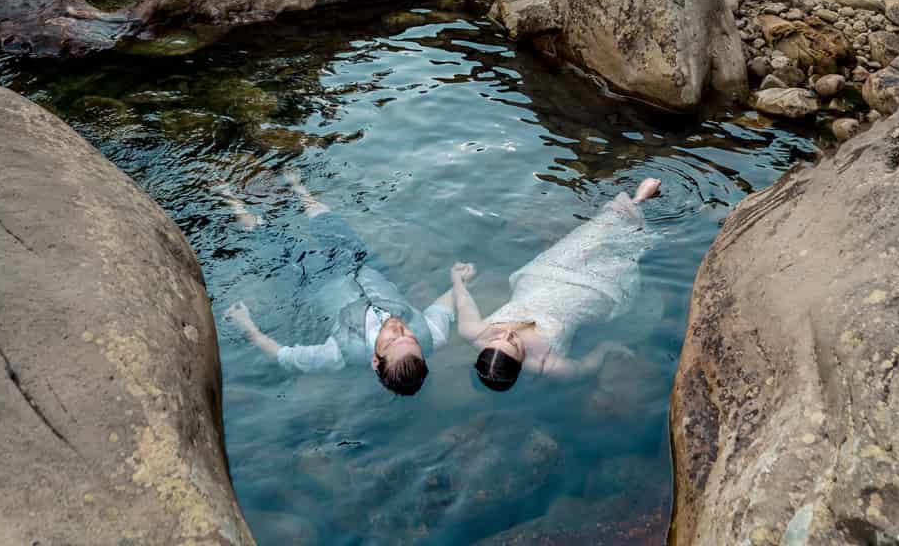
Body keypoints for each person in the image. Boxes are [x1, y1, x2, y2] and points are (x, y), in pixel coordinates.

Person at [220, 168, 463, 396]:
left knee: (270, 240)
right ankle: (297, 185)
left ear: (375, 360)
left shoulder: (339, 354)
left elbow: (284, 356)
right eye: (409, 337)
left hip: (315, 278)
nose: (397, 328)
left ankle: (228, 197)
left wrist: (247, 326)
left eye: (391, 340)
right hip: (359, 266)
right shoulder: (432, 335)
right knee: (330, 225)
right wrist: (460, 280)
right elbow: (444, 304)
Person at [453, 178, 663, 391]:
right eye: (513, 344)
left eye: (497, 338)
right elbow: (582, 368)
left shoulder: (473, 332)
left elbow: (462, 301)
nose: (508, 334)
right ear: (520, 364)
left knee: (595, 233)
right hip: (585, 295)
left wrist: (458, 279)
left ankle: (637, 200)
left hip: (543, 276)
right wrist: (606, 348)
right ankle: (646, 213)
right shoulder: (548, 365)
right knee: (624, 254)